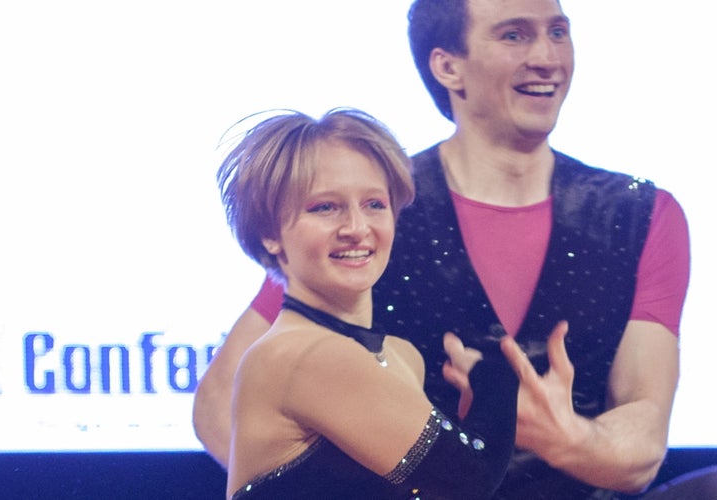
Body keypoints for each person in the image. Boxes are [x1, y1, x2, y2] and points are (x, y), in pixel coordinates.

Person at [194, 1, 690, 498]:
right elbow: (221, 403)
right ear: (447, 65)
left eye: (558, 32)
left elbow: (643, 443)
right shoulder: (369, 207)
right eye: (514, 35)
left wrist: (568, 436)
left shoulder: (641, 215)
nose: (546, 56)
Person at [216, 107, 519, 499]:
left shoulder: (400, 355)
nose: (357, 229)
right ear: (270, 232)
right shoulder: (301, 354)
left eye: (374, 204)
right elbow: (466, 477)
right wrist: (497, 373)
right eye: (325, 207)